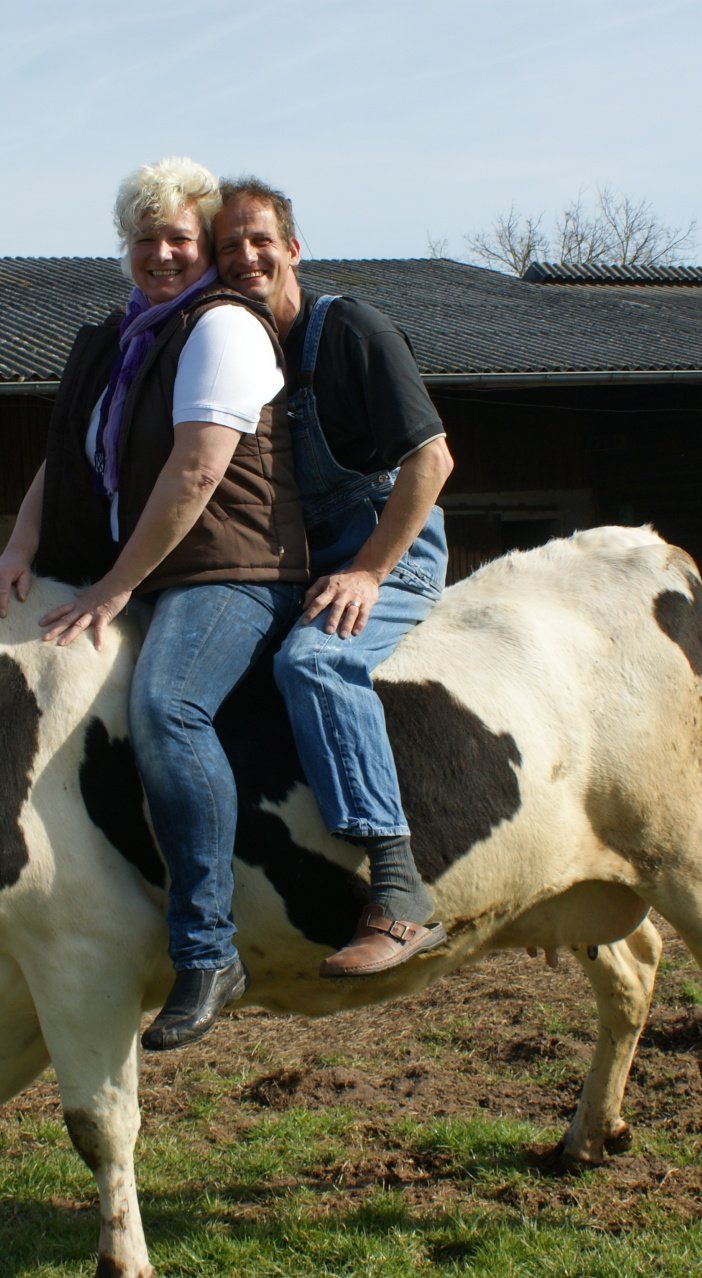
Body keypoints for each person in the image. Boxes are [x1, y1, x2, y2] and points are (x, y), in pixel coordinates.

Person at [0, 157, 308, 1051]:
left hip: (234, 571)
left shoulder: (219, 328)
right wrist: (19, 550)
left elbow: (196, 470)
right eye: (144, 238)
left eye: (179, 238)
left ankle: (207, 949)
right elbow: (70, 463)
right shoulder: (127, 338)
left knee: (167, 706)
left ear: (204, 247)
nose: (160, 253)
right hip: (154, 571)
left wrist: (113, 588)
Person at [214, 177, 456, 979]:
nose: (245, 256)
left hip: (388, 545)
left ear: (291, 248)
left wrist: (369, 572)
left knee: (313, 663)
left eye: (260, 240)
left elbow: (432, 462)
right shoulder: (239, 355)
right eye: (228, 248)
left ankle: (399, 890)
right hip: (303, 559)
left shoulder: (348, 328)